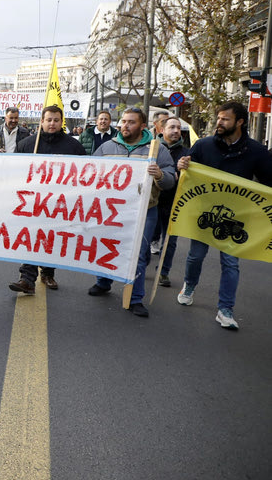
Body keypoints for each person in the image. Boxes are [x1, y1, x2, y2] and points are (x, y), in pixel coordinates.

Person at [175, 101, 272, 330]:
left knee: (230, 263)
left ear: (240, 122)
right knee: (195, 256)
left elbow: (268, 182)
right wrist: (182, 165)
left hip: (236, 215)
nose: (219, 122)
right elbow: (189, 171)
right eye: (218, 118)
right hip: (205, 212)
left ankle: (225, 309)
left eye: (225, 119)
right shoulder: (203, 146)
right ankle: (189, 285)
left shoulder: (256, 151)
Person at [86, 107, 176, 318]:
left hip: (145, 210)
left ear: (143, 126)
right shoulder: (107, 147)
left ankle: (135, 298)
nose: (125, 126)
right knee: (107, 245)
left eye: (131, 122)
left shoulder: (157, 150)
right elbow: (91, 175)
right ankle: (103, 282)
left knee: (139, 253)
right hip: (111, 210)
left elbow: (171, 180)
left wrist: (160, 174)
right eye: (123, 121)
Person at [8, 106, 86, 294]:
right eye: (49, 120)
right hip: (32, 202)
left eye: (56, 120)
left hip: (60, 203)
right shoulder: (27, 145)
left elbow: (85, 173)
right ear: (42, 121)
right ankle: (27, 279)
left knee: (51, 238)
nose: (52, 123)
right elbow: (15, 172)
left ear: (61, 122)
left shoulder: (73, 147)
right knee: (32, 237)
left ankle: (48, 273)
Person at [154, 116, 188, 287]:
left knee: (170, 241)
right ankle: (140, 264)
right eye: (172, 127)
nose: (176, 131)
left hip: (174, 204)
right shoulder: (152, 149)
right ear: (162, 130)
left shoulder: (187, 153)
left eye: (178, 127)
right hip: (152, 202)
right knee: (146, 238)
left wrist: (185, 170)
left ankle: (163, 271)